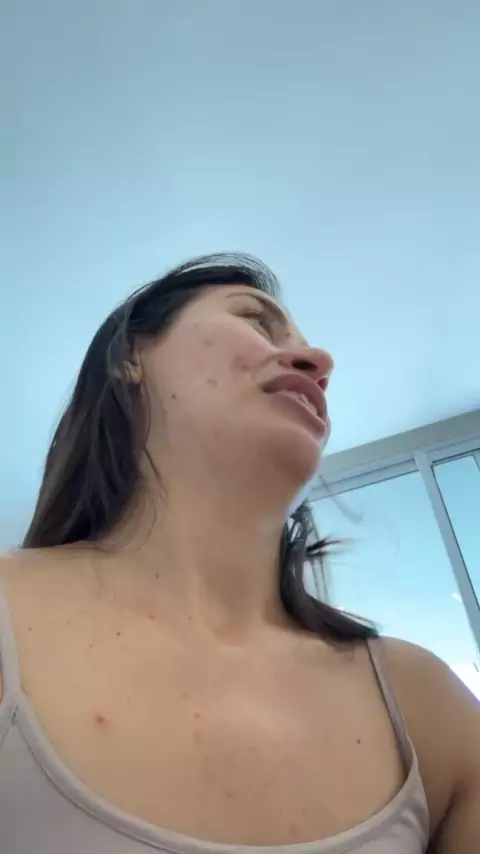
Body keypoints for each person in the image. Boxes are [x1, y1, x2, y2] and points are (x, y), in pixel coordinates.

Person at [0, 253, 478, 853]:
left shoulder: (426, 705)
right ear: (130, 356)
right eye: (255, 320)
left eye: (305, 345)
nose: (321, 361)